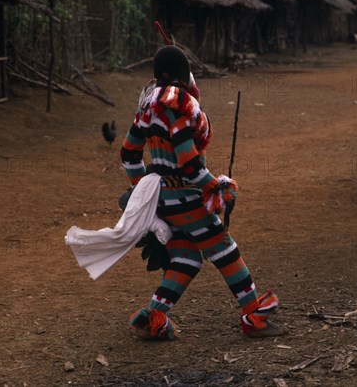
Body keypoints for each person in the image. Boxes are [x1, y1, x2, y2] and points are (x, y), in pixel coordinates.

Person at [120, 45, 286, 340]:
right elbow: (189, 163)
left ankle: (153, 319)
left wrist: (144, 189)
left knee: (187, 259)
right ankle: (253, 317)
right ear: (184, 78)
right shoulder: (180, 109)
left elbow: (128, 155)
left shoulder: (145, 112)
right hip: (186, 198)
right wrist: (216, 186)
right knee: (225, 249)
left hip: (162, 201)